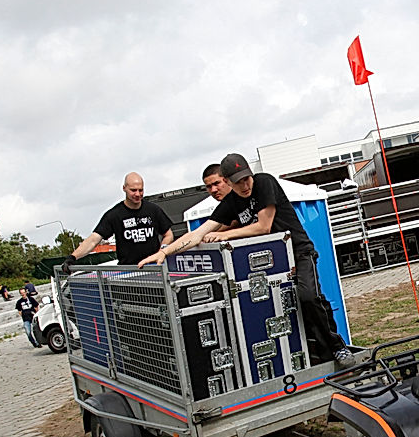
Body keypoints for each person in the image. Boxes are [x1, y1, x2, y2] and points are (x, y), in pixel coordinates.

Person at [139, 154, 353, 367]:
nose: (244, 186)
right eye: (238, 182)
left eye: (246, 179)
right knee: (288, 308)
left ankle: (338, 348)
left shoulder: (264, 182)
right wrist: (165, 253)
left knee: (309, 296)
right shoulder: (230, 203)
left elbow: (264, 226)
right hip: (273, 263)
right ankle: (316, 355)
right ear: (228, 182)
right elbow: (197, 235)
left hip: (298, 252)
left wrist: (226, 235)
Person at [62, 172, 174, 270]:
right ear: (124, 188)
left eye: (141, 190)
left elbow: (168, 235)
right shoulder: (114, 214)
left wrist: (161, 251)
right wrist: (73, 257)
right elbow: (93, 240)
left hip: (154, 269)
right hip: (128, 271)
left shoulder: (153, 210)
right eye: (133, 190)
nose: (138, 194)